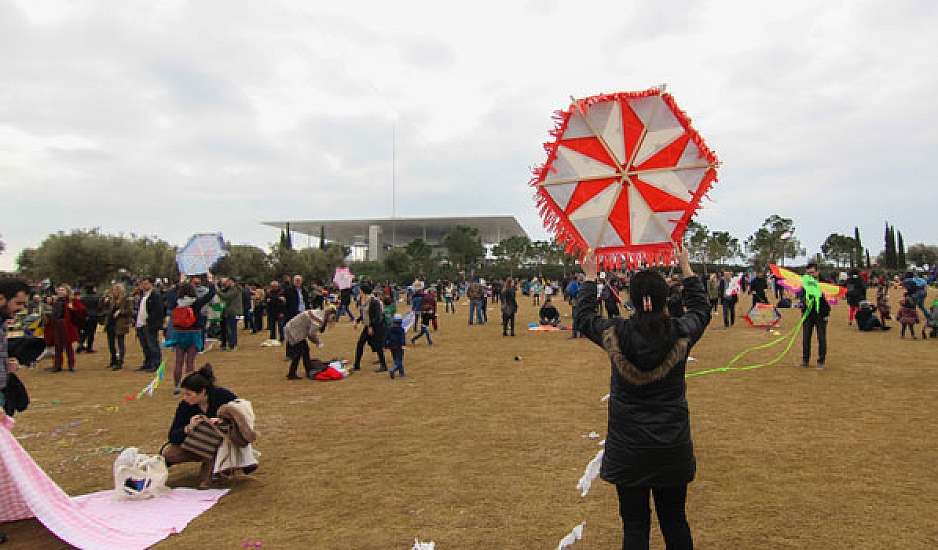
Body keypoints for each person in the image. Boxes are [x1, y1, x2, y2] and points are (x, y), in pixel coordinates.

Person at [574, 246, 709, 550]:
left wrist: (591, 277)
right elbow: (701, 311)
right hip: (671, 445)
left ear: (633, 301)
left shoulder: (615, 331)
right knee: (675, 521)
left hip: (629, 448)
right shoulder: (681, 331)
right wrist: (685, 266)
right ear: (665, 299)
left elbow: (583, 318)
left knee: (635, 526)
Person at [161, 365, 238, 488]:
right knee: (168, 453)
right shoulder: (185, 406)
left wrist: (223, 421)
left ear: (202, 392)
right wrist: (188, 428)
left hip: (222, 444)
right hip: (199, 445)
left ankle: (221, 466)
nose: (185, 398)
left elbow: (243, 416)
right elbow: (173, 435)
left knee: (205, 484)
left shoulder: (224, 397)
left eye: (188, 394)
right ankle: (209, 464)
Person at [169, 274, 217, 393]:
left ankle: (176, 386)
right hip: (193, 333)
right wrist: (210, 281)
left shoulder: (177, 302)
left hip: (179, 334)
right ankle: (189, 386)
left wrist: (180, 283)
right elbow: (211, 294)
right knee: (190, 362)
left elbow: (169, 295)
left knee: (178, 361)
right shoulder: (196, 303)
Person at [46, 284, 86, 373]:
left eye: (62, 290)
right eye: (59, 290)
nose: (60, 291)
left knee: (68, 346)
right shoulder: (56, 301)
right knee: (58, 346)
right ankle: (57, 365)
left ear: (67, 291)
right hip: (57, 325)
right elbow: (54, 314)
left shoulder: (71, 301)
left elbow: (82, 310)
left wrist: (73, 308)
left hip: (66, 325)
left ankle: (71, 365)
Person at [284, 308, 329, 380]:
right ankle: (291, 374)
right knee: (299, 352)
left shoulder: (318, 312)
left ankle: (308, 370)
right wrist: (318, 342)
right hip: (295, 332)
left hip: (292, 327)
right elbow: (311, 334)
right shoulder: (319, 320)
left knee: (305, 349)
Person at [800, 263, 831, 369]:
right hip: (808, 314)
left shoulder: (825, 283)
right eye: (808, 273)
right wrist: (804, 301)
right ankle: (805, 360)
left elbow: (830, 299)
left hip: (821, 314)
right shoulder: (805, 282)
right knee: (806, 337)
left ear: (817, 272)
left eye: (812, 272)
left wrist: (826, 313)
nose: (810, 275)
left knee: (821, 338)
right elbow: (801, 295)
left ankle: (821, 361)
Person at [352, 286, 388, 372]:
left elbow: (377, 316)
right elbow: (364, 314)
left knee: (378, 346)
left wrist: (371, 326)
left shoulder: (374, 302)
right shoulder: (362, 300)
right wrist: (357, 320)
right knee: (360, 343)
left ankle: (383, 366)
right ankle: (356, 365)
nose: (359, 292)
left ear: (363, 292)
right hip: (368, 326)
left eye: (360, 290)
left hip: (377, 326)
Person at [100, 283, 134, 370]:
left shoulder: (126, 299)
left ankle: (120, 361)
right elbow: (104, 309)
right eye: (113, 290)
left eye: (116, 290)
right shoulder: (111, 299)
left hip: (120, 323)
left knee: (120, 343)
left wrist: (120, 312)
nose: (114, 292)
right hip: (111, 323)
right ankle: (113, 360)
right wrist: (105, 302)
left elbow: (130, 311)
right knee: (111, 343)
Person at [135, 277, 164, 372]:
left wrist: (150, 320)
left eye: (146, 283)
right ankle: (148, 362)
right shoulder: (143, 296)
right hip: (140, 324)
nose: (144, 285)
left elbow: (158, 310)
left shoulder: (155, 295)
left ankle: (156, 364)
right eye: (143, 283)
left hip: (149, 324)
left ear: (151, 284)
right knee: (145, 346)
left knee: (152, 345)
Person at [216, 277, 243, 352]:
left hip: (233, 312)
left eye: (228, 281)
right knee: (230, 328)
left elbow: (226, 296)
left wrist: (217, 291)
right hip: (232, 312)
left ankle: (233, 345)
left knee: (231, 329)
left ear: (232, 282)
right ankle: (231, 344)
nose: (226, 283)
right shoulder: (233, 289)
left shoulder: (235, 289)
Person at [76, 285, 100, 353]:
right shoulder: (96, 297)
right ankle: (89, 348)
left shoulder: (82, 298)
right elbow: (99, 307)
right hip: (94, 316)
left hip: (85, 317)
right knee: (91, 333)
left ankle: (80, 344)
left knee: (85, 332)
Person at [385, 315, 406, 379]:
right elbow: (402, 338)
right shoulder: (401, 329)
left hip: (391, 346)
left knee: (395, 359)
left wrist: (385, 346)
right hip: (399, 346)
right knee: (399, 360)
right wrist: (403, 345)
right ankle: (393, 370)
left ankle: (401, 373)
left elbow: (386, 337)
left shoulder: (389, 328)